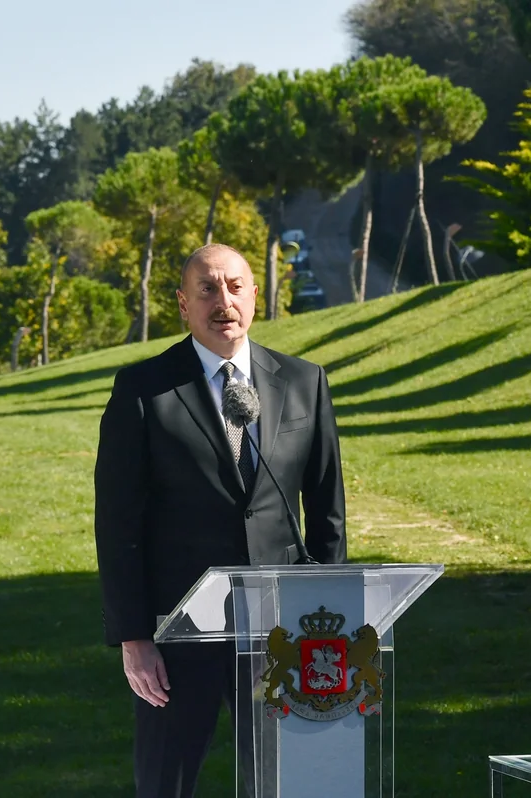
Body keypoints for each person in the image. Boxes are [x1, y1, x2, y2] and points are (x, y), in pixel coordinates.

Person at [94, 243, 346, 798]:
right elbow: (117, 527)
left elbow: (328, 513)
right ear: (184, 304)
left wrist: (333, 623)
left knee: (285, 783)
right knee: (165, 782)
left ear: (255, 295)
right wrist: (134, 637)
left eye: (234, 287)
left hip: (282, 630)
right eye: (206, 289)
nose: (223, 301)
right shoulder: (143, 390)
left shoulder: (304, 381)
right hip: (178, 631)